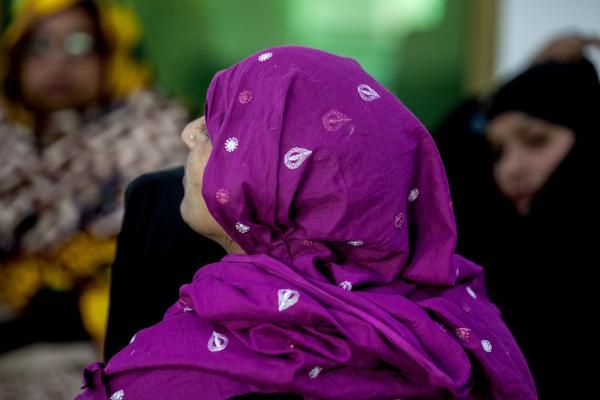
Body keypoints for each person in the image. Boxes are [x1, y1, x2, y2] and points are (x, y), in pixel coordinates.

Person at [76, 46, 536, 399]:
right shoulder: (463, 316)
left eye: (219, 128)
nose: (188, 132)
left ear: (276, 183)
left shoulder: (187, 366)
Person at [0, 0, 187, 397]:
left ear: (111, 54)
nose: (58, 62)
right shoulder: (6, 142)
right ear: (13, 55)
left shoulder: (157, 137)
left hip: (111, 358)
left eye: (80, 44)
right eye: (40, 45)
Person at [436, 37, 599, 398]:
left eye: (536, 140)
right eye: (498, 151)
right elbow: (441, 164)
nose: (510, 170)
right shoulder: (502, 236)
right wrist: (502, 91)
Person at [103, 166, 226, 361]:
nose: (188, 135)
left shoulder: (152, 194)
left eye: (204, 134)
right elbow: (123, 334)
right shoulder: (149, 194)